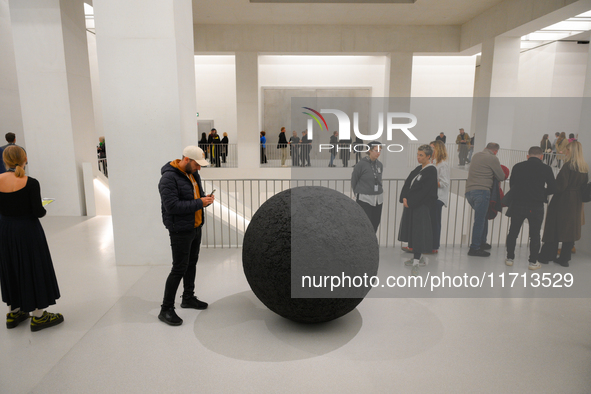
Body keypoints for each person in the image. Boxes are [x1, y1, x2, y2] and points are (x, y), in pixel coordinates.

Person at [0, 146, 63, 331]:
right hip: (27, 230)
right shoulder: (31, 183)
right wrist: (43, 207)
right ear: (25, 158)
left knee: (10, 266)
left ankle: (14, 312)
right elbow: (38, 212)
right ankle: (38, 316)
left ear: (5, 160)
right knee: (32, 267)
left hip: (5, 230)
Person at [157, 146, 215, 326]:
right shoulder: (168, 178)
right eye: (197, 165)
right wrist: (199, 202)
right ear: (186, 159)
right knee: (179, 268)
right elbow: (172, 207)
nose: (199, 169)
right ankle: (166, 309)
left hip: (195, 226)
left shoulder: (193, 174)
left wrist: (205, 200)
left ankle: (188, 297)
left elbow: (195, 197)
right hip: (180, 230)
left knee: (191, 264)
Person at [505, 146, 556, 270]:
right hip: (536, 205)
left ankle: (510, 258)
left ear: (528, 156)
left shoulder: (518, 166)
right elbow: (553, 188)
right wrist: (541, 193)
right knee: (535, 234)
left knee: (513, 232)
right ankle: (533, 262)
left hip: (518, 204)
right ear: (542, 156)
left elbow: (512, 185)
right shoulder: (546, 168)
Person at [538, 141, 588, 267]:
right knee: (569, 228)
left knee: (554, 226)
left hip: (563, 199)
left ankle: (547, 255)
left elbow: (560, 186)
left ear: (571, 152)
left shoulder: (567, 166)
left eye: (567, 150)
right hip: (576, 200)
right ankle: (564, 258)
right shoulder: (584, 167)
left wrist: (546, 190)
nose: (565, 152)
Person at [398, 144, 438, 269]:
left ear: (428, 156)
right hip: (411, 205)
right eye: (417, 154)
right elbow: (407, 183)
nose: (418, 157)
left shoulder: (431, 170)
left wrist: (411, 202)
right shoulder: (418, 169)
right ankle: (416, 257)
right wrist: (404, 197)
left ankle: (417, 260)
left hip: (421, 207)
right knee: (412, 232)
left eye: (421, 155)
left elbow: (425, 191)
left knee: (419, 233)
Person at [465, 142, 506, 257]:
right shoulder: (492, 158)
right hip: (482, 192)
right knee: (480, 220)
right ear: (495, 151)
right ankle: (475, 248)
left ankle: (482, 242)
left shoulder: (476, 155)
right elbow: (501, 176)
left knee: (482, 217)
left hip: (469, 192)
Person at [351, 141, 384, 232]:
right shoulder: (361, 164)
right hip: (364, 198)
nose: (378, 153)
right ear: (369, 150)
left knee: (375, 222)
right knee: (365, 223)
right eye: (376, 150)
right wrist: (357, 192)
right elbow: (354, 180)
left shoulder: (380, 164)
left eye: (380, 150)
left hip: (378, 199)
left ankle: (372, 243)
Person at [429, 140, 450, 253]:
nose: (431, 150)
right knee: (431, 222)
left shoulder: (443, 164)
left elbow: (444, 183)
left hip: (438, 198)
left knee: (435, 222)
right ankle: (430, 245)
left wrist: (430, 182)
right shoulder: (434, 163)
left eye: (433, 148)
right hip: (433, 197)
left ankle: (434, 246)